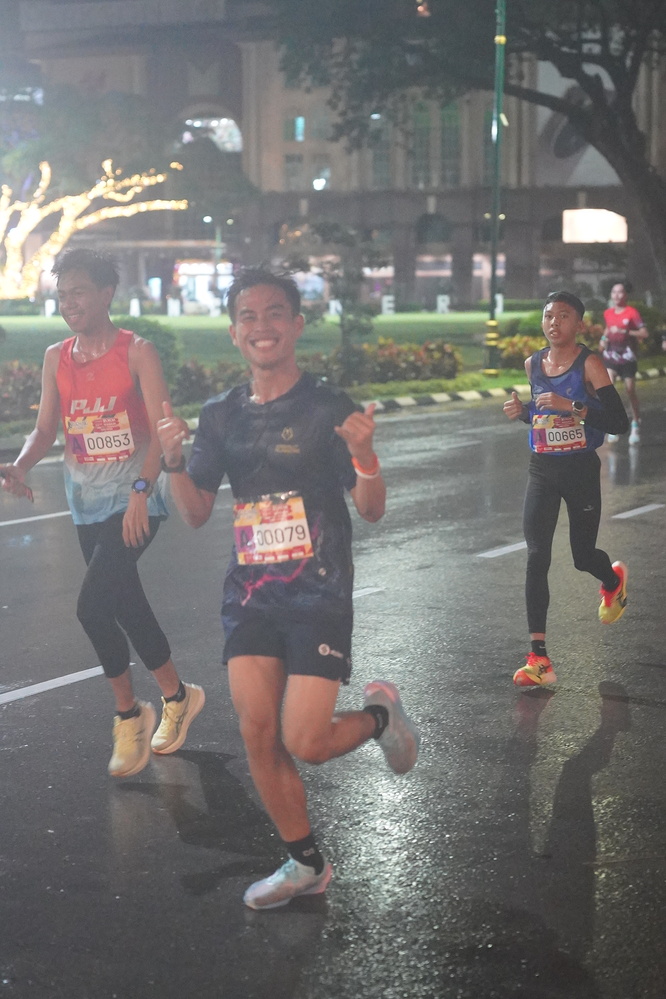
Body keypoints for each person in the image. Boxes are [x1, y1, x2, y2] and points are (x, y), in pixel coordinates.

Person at [156, 267, 420, 910]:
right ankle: (306, 864)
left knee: (307, 741)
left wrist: (367, 458)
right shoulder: (220, 414)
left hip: (317, 592)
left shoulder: (329, 407)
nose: (262, 326)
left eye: (275, 313)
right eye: (248, 316)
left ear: (297, 325)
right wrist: (171, 460)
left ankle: (381, 717)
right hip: (250, 592)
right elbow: (194, 512)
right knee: (256, 731)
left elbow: (372, 509)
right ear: (233, 332)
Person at [0, 248, 205, 777]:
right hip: (86, 500)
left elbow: (160, 429)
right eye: (62, 295)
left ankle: (128, 716)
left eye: (79, 293)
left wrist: (141, 490)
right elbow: (46, 428)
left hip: (138, 496)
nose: (69, 303)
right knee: (124, 602)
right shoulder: (56, 357)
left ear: (107, 294)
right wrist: (20, 465)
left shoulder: (137, 352)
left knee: (93, 606)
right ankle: (178, 697)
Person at [503, 290, 630, 687]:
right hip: (542, 468)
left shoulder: (590, 364)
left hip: (580, 470)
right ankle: (538, 658)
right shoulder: (532, 364)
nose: (554, 322)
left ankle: (612, 581)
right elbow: (541, 415)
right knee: (536, 555)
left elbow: (619, 422)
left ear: (579, 324)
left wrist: (573, 406)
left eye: (563, 316)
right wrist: (523, 412)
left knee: (582, 556)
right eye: (548, 316)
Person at [599, 281, 649, 445]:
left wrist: (625, 331)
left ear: (625, 295)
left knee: (630, 390)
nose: (617, 295)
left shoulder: (632, 313)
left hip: (627, 357)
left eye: (620, 292)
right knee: (609, 389)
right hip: (611, 356)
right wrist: (603, 339)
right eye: (614, 292)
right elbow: (608, 328)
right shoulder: (608, 313)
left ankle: (635, 422)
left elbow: (644, 333)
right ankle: (613, 424)